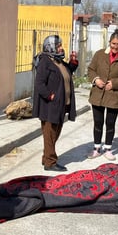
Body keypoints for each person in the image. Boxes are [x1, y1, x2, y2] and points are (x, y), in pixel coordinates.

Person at [87, 29, 118, 161]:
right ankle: (96, 148)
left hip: (115, 95)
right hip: (98, 94)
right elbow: (91, 70)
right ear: (109, 43)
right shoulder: (99, 54)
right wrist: (96, 79)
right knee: (98, 122)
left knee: (110, 123)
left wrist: (114, 83)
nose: (115, 47)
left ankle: (108, 148)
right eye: (113, 43)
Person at [32, 35, 78, 172]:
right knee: (50, 134)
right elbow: (39, 84)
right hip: (49, 106)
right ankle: (50, 162)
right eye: (58, 46)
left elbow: (67, 72)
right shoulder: (45, 62)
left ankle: (46, 158)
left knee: (54, 134)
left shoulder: (58, 61)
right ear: (50, 47)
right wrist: (50, 96)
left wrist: (73, 63)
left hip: (60, 105)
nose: (61, 48)